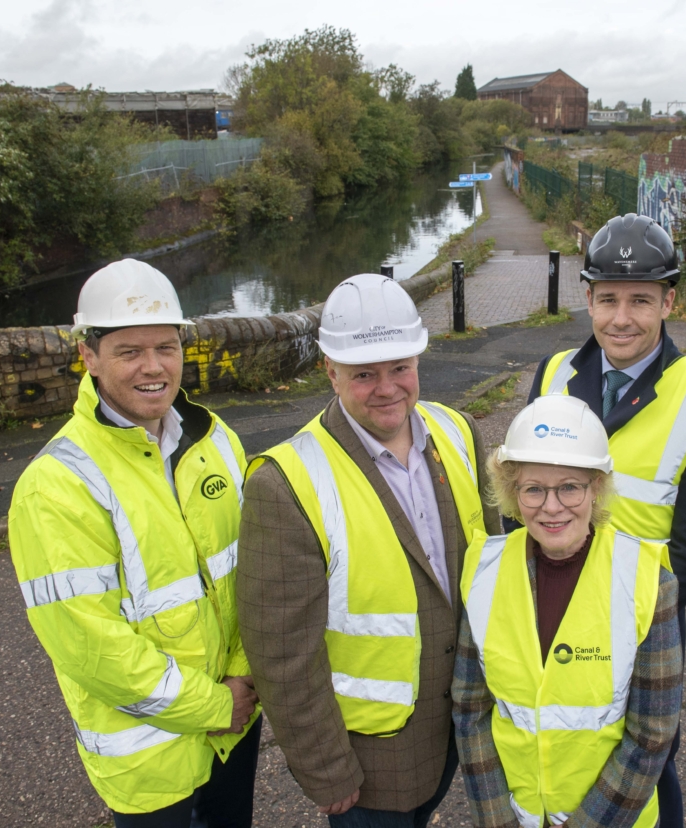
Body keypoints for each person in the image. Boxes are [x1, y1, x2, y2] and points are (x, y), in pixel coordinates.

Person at [237, 273, 500, 827]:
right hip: (369, 762)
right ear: (330, 372)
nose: (387, 388)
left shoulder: (458, 432)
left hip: (461, 723)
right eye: (363, 375)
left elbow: (492, 566)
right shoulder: (285, 482)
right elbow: (283, 652)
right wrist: (325, 768)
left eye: (401, 368)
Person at [9, 259, 260, 827]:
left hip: (234, 722)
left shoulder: (214, 439)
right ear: (88, 356)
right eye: (129, 352)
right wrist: (215, 705)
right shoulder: (55, 486)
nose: (154, 368)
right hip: (149, 755)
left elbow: (251, 572)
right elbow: (90, 646)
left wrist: (243, 678)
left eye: (167, 348)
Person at [528, 214, 686, 828]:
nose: (620, 318)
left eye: (640, 301)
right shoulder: (551, 377)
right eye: (607, 300)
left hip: (643, 627)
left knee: (645, 769)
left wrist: (611, 615)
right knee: (553, 754)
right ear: (589, 299)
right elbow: (521, 503)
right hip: (544, 610)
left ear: (669, 301)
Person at [454, 394, 682, 828]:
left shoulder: (649, 581)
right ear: (511, 490)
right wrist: (497, 819)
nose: (552, 506)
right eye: (534, 488)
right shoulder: (482, 571)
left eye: (570, 487)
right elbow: (470, 712)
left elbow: (652, 736)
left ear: (596, 487)